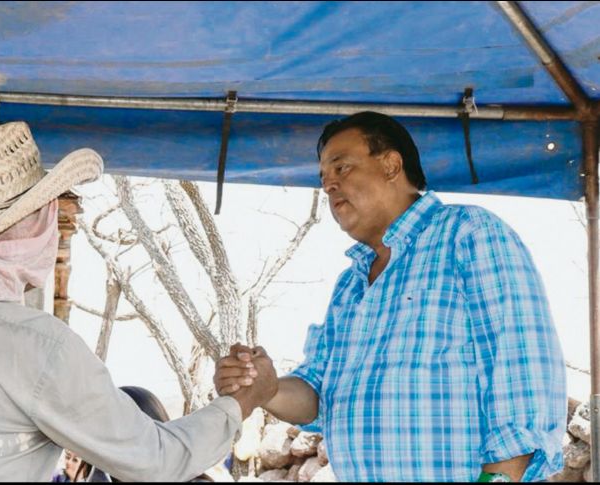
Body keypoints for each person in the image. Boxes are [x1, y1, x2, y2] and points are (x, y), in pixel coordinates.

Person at [0, 121, 276, 481]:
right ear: (35, 224)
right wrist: (238, 404)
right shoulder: (36, 346)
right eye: (47, 208)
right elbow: (152, 461)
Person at [214, 111, 567, 482]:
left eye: (342, 168)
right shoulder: (350, 286)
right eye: (323, 178)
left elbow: (523, 371)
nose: (329, 185)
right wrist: (266, 388)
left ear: (391, 165)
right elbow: (317, 396)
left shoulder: (467, 233)